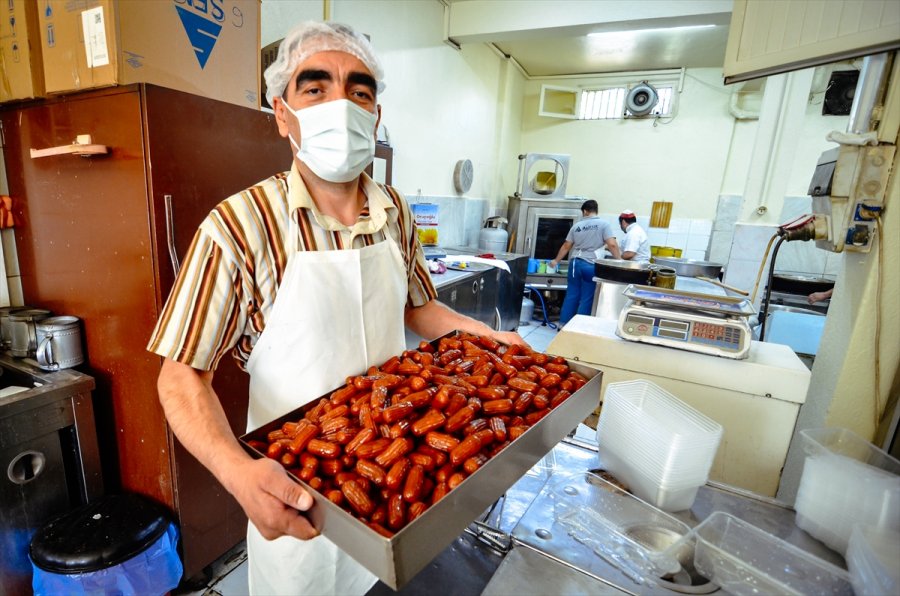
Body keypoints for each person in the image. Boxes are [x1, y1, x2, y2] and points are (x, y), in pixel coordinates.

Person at [146, 21, 524, 596]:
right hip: (303, 488)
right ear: (282, 114)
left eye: (360, 91)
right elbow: (179, 375)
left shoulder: (393, 210)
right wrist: (239, 474)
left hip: (397, 472)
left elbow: (420, 309)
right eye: (315, 88)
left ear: (375, 115)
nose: (341, 105)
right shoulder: (239, 226)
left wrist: (484, 336)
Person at [549, 200, 621, 325]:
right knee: (586, 298)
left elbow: (566, 246)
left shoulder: (576, 226)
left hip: (575, 264)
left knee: (571, 295)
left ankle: (563, 325)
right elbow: (612, 244)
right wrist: (619, 261)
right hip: (591, 265)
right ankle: (578, 327)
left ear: (585, 211)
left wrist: (556, 260)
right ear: (595, 211)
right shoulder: (604, 224)